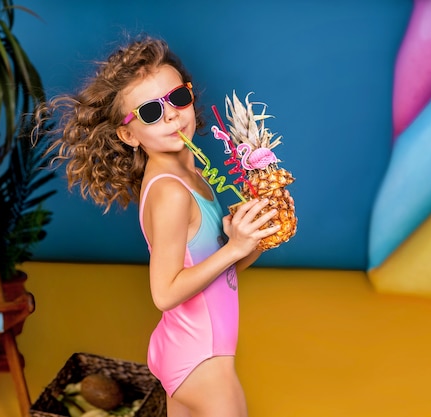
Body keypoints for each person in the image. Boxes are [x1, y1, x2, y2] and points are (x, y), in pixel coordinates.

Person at [39, 36, 281, 417]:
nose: (169, 115)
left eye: (177, 99)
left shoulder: (191, 172)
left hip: (188, 347)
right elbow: (165, 293)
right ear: (128, 134)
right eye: (150, 112)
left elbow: (220, 274)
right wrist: (233, 248)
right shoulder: (170, 191)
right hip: (202, 360)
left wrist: (253, 240)